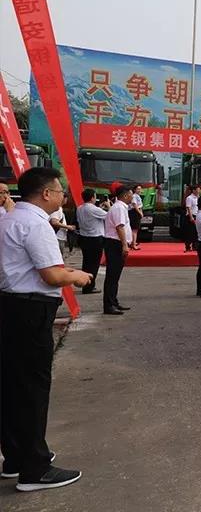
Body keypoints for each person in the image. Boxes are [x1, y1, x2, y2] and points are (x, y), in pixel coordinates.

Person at [0, 167, 92, 492]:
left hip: (10, 306)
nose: (63, 196)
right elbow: (51, 276)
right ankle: (35, 469)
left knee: (12, 385)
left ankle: (16, 457)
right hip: (30, 310)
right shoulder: (36, 224)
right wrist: (77, 276)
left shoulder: (9, 219)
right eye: (60, 190)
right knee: (32, 389)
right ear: (46, 193)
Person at [103, 185, 133, 315]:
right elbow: (119, 227)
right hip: (115, 243)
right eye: (131, 194)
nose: (132, 197)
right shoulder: (119, 208)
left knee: (115, 276)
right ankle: (109, 305)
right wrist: (124, 245)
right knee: (112, 275)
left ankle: (113, 302)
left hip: (116, 243)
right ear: (125, 195)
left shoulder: (120, 207)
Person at [75, 188, 108, 295]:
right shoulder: (94, 209)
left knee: (86, 263)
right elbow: (109, 216)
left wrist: (100, 208)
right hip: (95, 238)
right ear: (92, 197)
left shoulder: (79, 208)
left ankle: (85, 284)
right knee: (94, 264)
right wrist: (108, 206)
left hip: (84, 237)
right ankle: (89, 286)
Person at [48, 193, 76, 258]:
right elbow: (54, 222)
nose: (67, 200)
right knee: (58, 258)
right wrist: (68, 227)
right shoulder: (57, 209)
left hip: (59, 237)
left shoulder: (59, 208)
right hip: (58, 237)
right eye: (66, 198)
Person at [183, 185, 199, 253]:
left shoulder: (198, 198)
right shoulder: (189, 198)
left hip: (197, 216)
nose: (199, 191)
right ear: (194, 190)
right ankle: (188, 246)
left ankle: (195, 246)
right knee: (190, 232)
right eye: (198, 190)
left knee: (196, 232)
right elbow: (188, 208)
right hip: (191, 216)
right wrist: (191, 217)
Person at [128, 184, 144, 250]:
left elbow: (140, 206)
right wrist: (140, 213)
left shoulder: (137, 196)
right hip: (134, 212)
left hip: (136, 212)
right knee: (134, 229)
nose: (139, 190)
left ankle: (133, 243)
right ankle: (133, 244)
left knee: (135, 229)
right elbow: (134, 205)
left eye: (140, 189)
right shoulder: (134, 196)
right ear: (134, 190)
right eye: (138, 189)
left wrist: (141, 212)